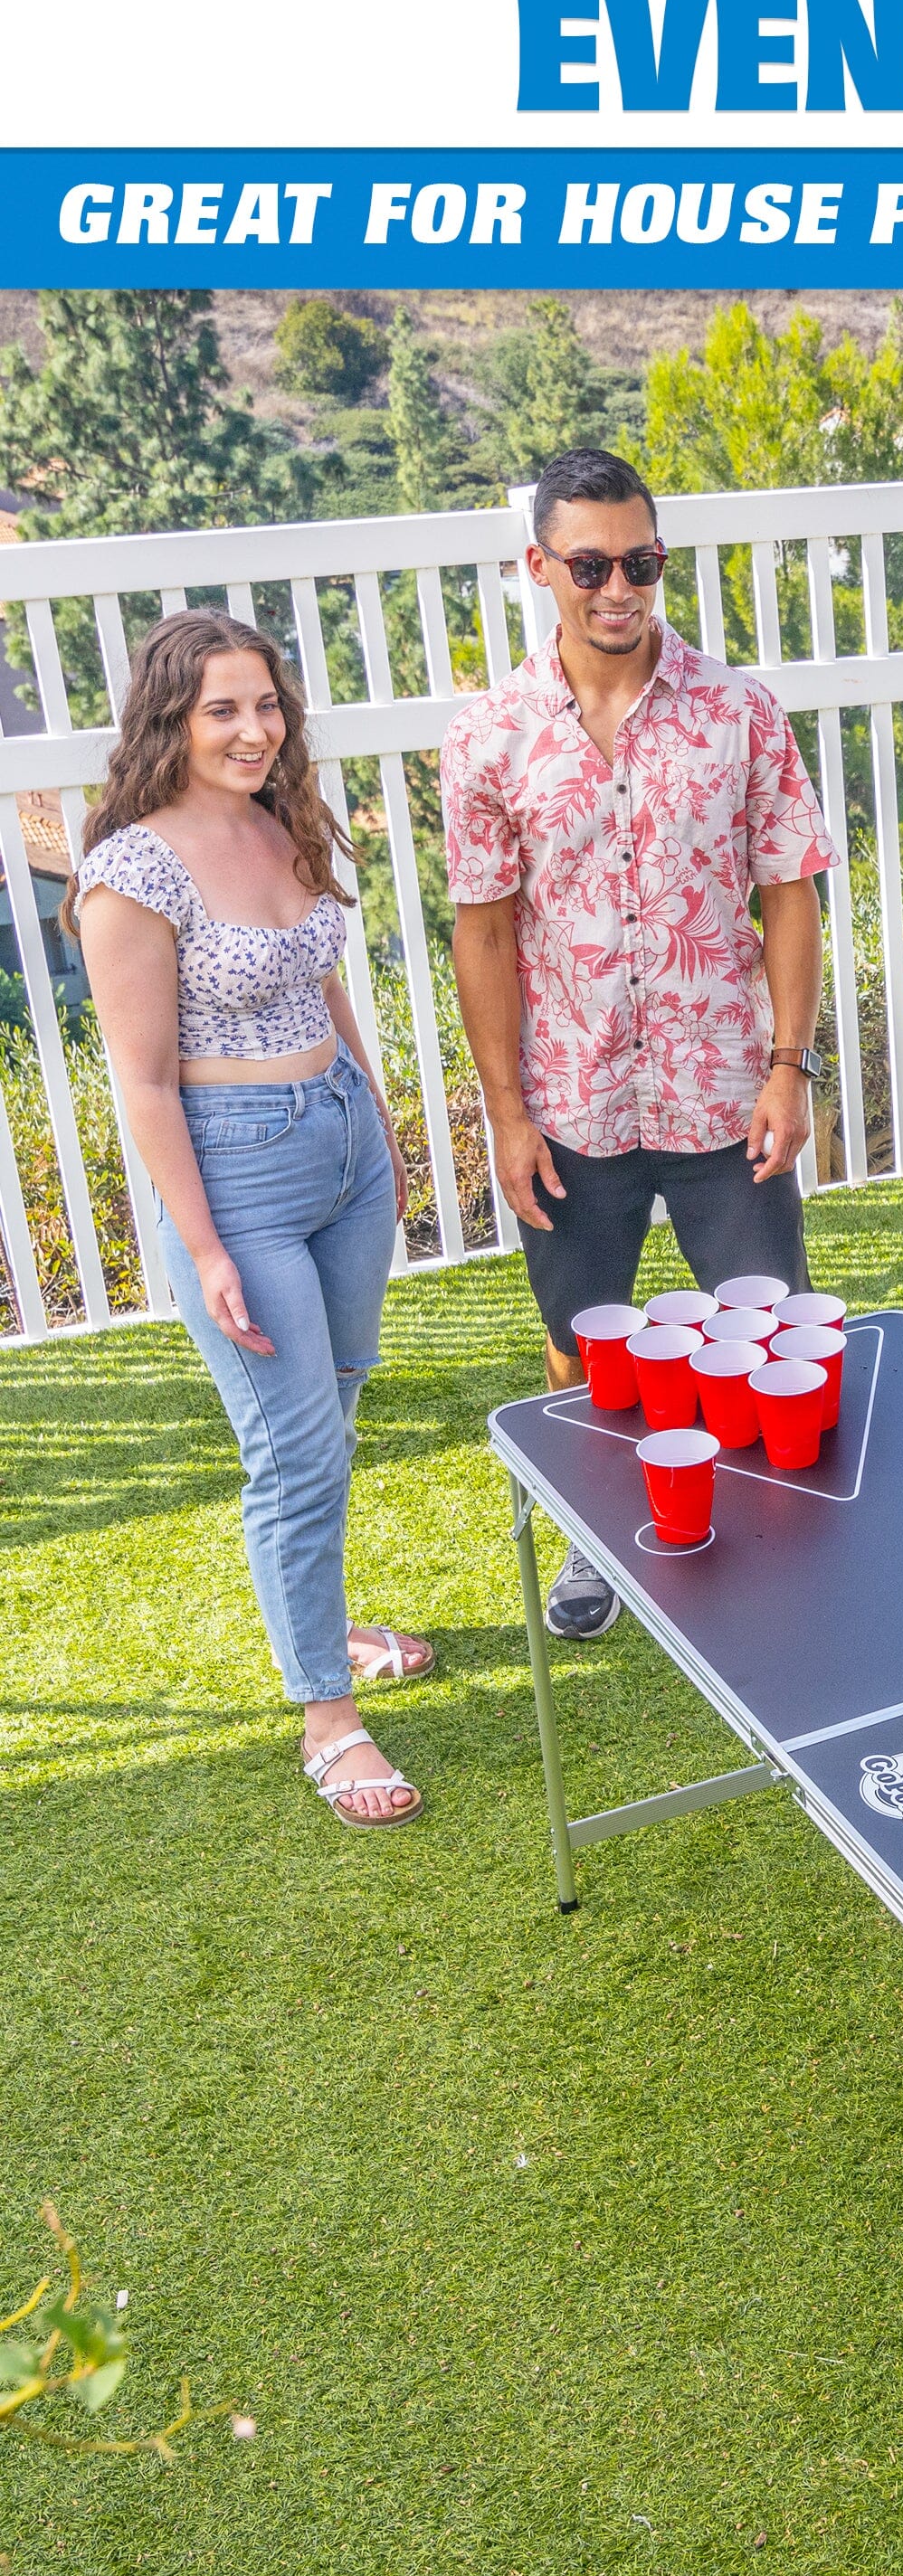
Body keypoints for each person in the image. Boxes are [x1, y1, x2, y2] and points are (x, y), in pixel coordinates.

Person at [445, 446, 841, 1641]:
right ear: (540, 567)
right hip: (572, 1105)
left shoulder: (739, 714)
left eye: (644, 562)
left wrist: (788, 1065)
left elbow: (790, 894)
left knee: (772, 1329)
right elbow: (484, 931)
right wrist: (508, 1112)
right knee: (582, 1349)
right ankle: (597, 1543)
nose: (619, 588)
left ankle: (803, 1545)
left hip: (724, 1093)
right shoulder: (490, 736)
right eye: (591, 565)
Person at [71, 611, 432, 1828]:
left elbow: (328, 981)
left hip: (339, 1147)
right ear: (168, 719)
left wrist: (376, 1124)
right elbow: (145, 1080)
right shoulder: (131, 871)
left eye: (266, 704)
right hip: (237, 1177)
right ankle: (328, 1719)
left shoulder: (284, 821)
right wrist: (208, 1248)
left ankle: (325, 1626)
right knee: (295, 1449)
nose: (252, 728)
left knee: (334, 1403)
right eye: (221, 709)